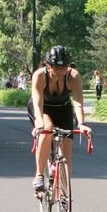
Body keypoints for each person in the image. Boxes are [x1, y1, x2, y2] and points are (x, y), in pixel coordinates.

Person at [28, 45, 91, 193]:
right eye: (56, 68)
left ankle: (63, 194)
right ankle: (39, 175)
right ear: (48, 66)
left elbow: (77, 103)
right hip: (43, 108)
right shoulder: (39, 75)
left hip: (63, 108)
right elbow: (37, 104)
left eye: (64, 68)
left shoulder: (73, 76)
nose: (61, 72)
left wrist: (81, 123)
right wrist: (39, 123)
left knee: (66, 151)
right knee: (47, 130)